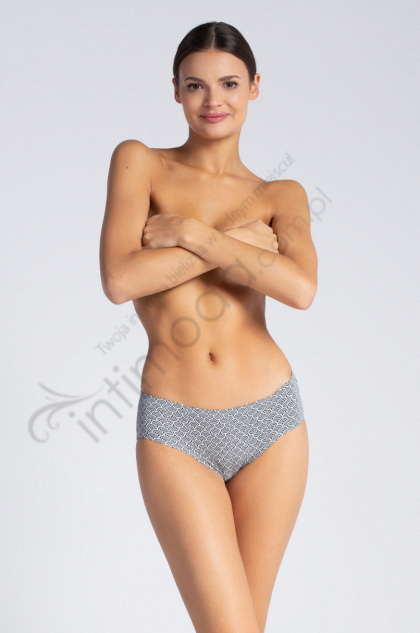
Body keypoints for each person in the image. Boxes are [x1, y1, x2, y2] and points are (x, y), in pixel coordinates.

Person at [100, 20, 317, 633]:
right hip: (177, 425)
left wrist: (195, 235)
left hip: (273, 422)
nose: (212, 100)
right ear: (176, 91)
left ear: (254, 87)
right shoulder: (140, 163)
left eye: (229, 83)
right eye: (195, 85)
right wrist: (238, 246)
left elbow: (300, 289)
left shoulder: (282, 194)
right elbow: (121, 278)